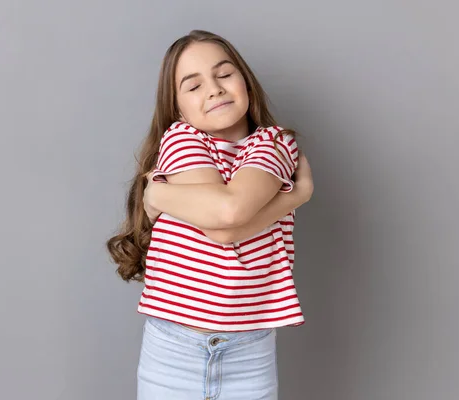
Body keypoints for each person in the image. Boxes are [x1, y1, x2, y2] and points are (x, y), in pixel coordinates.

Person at [107, 30, 314, 400]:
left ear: (245, 81)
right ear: (177, 108)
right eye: (193, 85)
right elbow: (224, 220)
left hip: (249, 352)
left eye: (224, 74)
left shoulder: (276, 142)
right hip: (173, 349)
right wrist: (296, 195)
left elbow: (228, 215)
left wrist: (160, 193)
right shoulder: (181, 139)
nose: (214, 89)